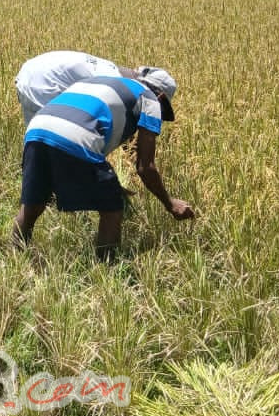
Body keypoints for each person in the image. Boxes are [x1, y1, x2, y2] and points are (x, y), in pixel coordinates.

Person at [13, 68, 194, 262]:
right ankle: (107, 269)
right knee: (112, 207)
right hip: (76, 137)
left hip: (37, 128)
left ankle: (15, 260)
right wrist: (170, 203)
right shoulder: (150, 99)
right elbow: (145, 167)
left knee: (33, 203)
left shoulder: (102, 81)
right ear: (161, 96)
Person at [15, 50, 154, 123]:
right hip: (44, 86)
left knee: (36, 143)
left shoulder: (109, 68)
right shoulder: (115, 84)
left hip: (29, 76)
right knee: (59, 141)